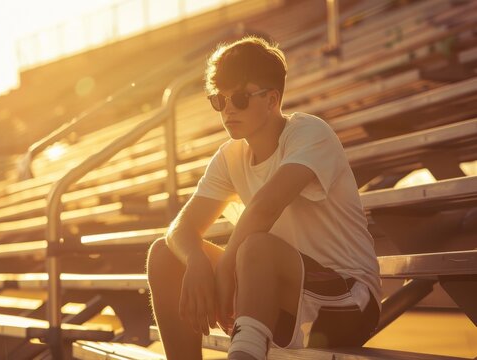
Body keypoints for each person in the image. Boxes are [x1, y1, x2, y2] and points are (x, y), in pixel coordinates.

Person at [147, 36, 381, 360]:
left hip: (349, 301)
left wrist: (227, 267)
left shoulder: (309, 133)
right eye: (220, 100)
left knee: (254, 246)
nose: (228, 109)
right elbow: (179, 228)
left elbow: (264, 209)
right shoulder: (230, 155)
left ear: (272, 99)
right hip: (280, 293)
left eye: (240, 98)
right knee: (165, 255)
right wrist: (197, 260)